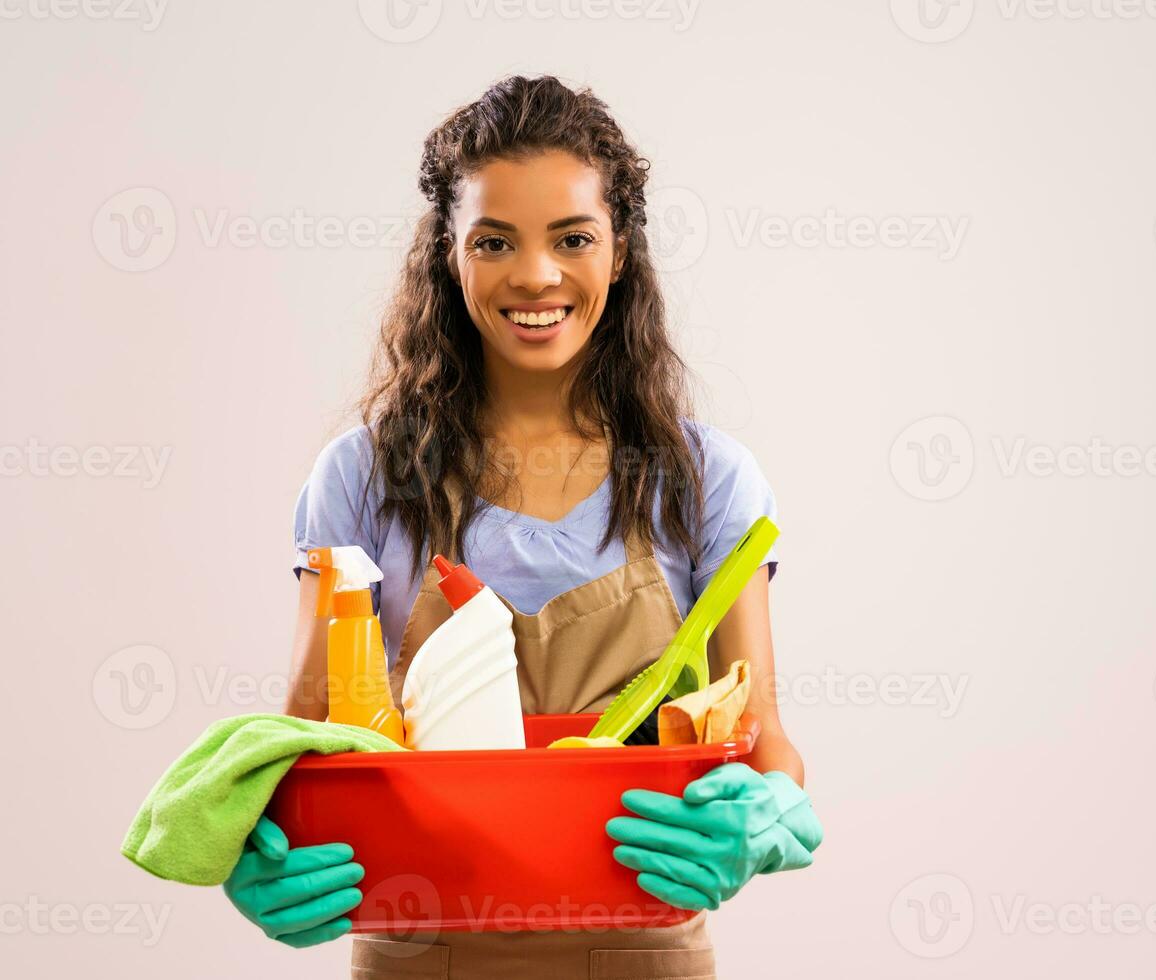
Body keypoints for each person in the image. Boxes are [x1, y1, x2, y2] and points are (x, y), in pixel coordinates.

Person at [220, 75, 821, 978]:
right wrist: (262, 843)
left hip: (646, 955)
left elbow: (762, 731)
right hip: (420, 953)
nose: (536, 275)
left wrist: (770, 812)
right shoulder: (362, 477)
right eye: (494, 241)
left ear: (619, 253)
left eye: (572, 238)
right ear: (448, 259)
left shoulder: (702, 482)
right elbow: (307, 732)